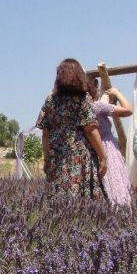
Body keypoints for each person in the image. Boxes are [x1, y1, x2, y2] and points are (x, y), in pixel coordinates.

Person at [36, 59, 108, 201]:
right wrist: (103, 156)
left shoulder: (50, 100)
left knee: (57, 203)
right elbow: (90, 130)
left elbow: (45, 133)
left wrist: (46, 159)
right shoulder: (82, 98)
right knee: (83, 201)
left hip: (56, 157)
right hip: (79, 157)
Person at [88, 81, 133, 206]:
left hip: (92, 147)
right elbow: (128, 110)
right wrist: (117, 93)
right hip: (107, 147)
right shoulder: (98, 106)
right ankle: (120, 208)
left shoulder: (83, 108)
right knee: (114, 179)